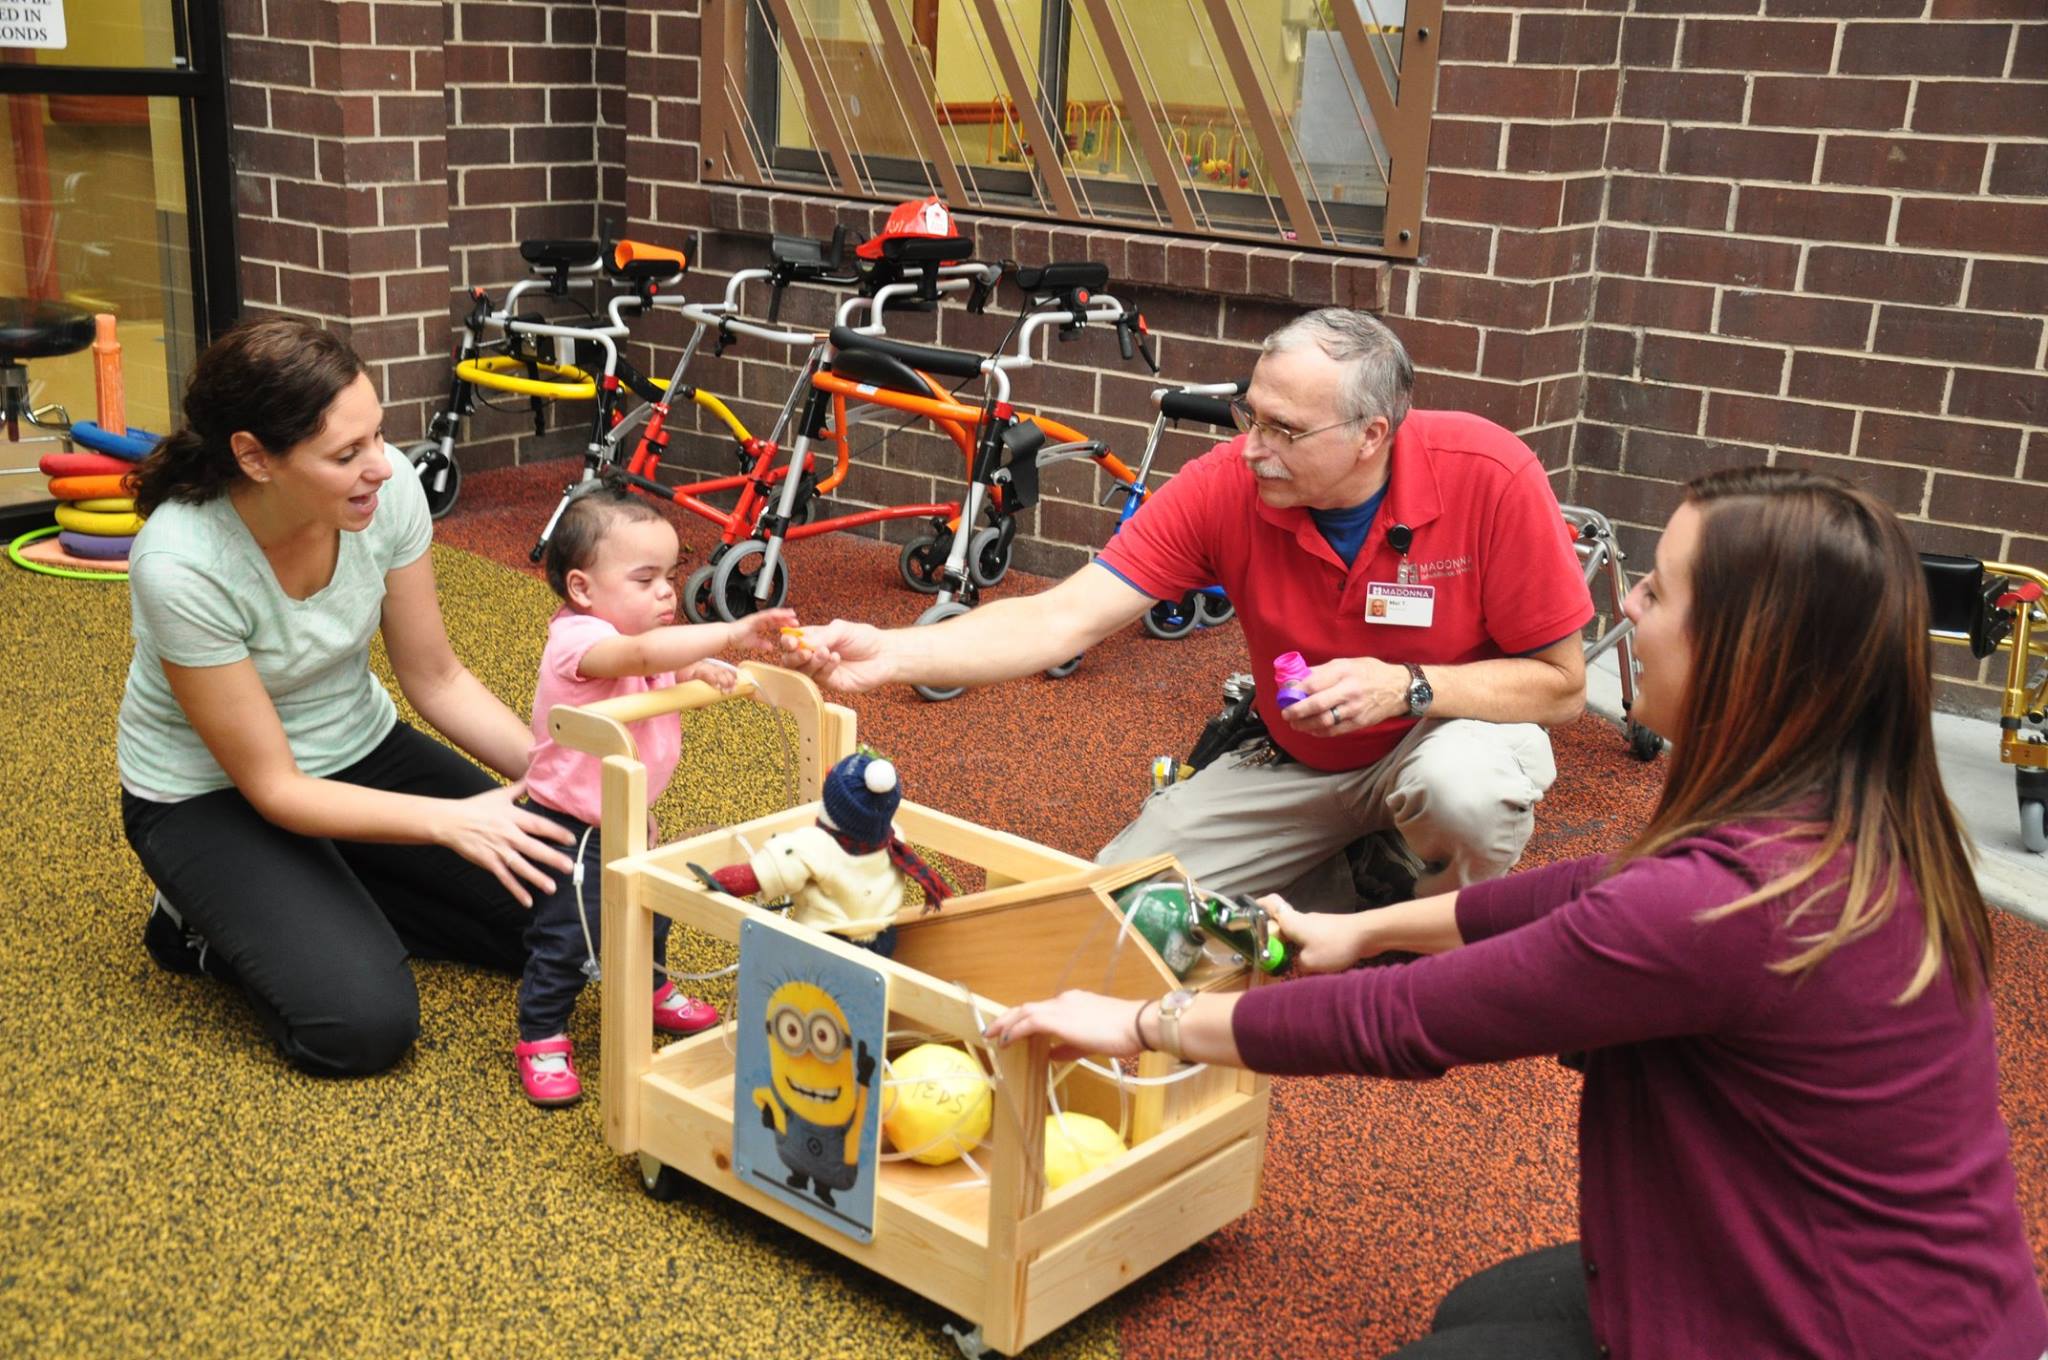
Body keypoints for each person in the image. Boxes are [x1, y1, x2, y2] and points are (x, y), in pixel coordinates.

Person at [984, 467, 2048, 1360]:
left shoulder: (1720, 908)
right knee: (1482, 1318)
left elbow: (1397, 1024)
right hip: (1915, 1294)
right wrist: (1364, 929)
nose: (1623, 609)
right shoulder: (1840, 820)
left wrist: (1138, 1024)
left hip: (1840, 1332)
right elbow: (1589, 891)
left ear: (1746, 655)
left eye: (1659, 594)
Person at [784, 308, 1594, 911]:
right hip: (1300, 757)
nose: (1251, 447)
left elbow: (1559, 686)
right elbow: (1060, 619)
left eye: (1284, 429)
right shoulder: (1225, 484)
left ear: (1372, 434)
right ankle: (1346, 865)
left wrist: (1410, 687)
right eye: (1250, 414)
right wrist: (893, 653)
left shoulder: (1489, 474)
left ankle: (1435, 934)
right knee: (1126, 908)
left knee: (1464, 790)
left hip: (1440, 731)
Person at [119, 317, 581, 1078]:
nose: (384, 468)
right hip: (210, 795)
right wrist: (449, 822)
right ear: (254, 458)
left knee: (576, 913)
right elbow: (273, 787)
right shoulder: (181, 563)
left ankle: (334, 882)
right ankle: (191, 925)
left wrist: (564, 776)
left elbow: (437, 678)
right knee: (361, 1026)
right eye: (347, 453)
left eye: (378, 436)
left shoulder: (384, 496)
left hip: (358, 749)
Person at [514, 485, 795, 1105]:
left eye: (670, 575)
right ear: (583, 589)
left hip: (629, 809)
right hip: (571, 824)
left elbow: (658, 660)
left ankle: (651, 990)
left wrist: (694, 670)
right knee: (568, 934)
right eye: (646, 579)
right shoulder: (579, 640)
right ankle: (542, 1032)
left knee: (653, 909)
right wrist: (727, 635)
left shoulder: (638, 630)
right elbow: (638, 656)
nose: (668, 591)